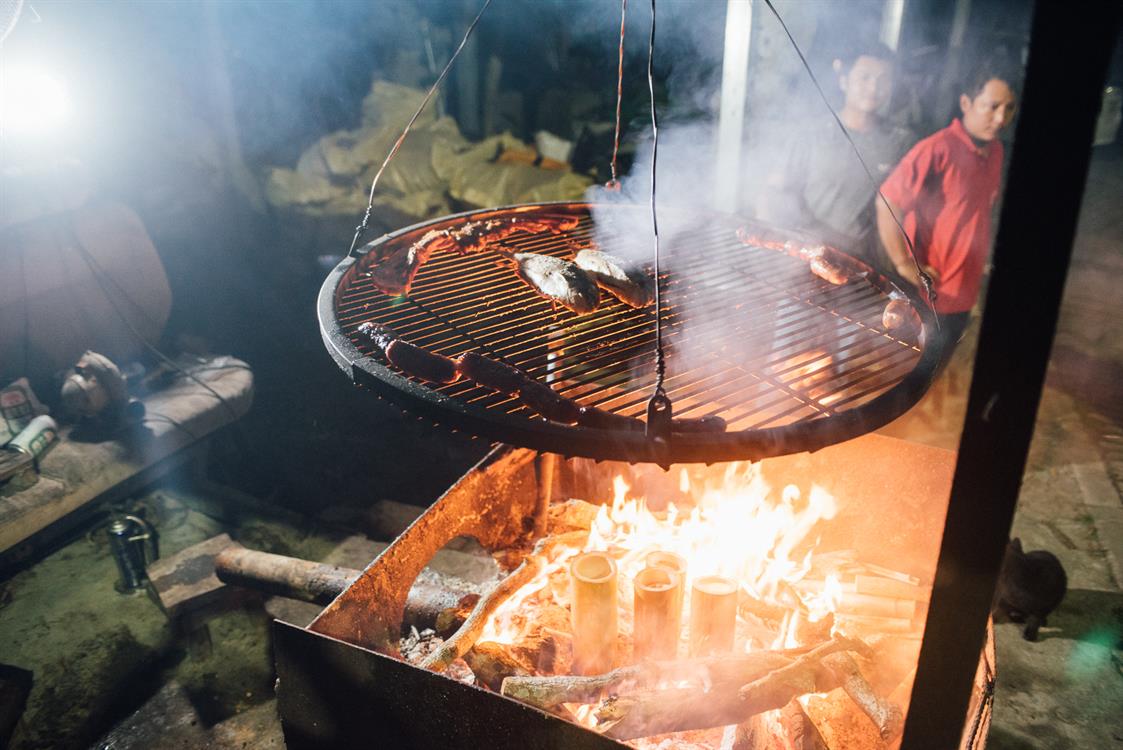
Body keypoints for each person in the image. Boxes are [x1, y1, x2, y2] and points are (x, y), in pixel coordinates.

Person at [877, 63, 1018, 357]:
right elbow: (887, 200)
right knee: (909, 366)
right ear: (966, 103)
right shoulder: (936, 149)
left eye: (1009, 108)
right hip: (928, 293)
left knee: (941, 361)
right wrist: (903, 264)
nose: (1001, 118)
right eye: (991, 107)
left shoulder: (996, 152)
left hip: (964, 292)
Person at [760, 42, 914, 266]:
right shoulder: (810, 134)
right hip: (810, 257)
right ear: (844, 81)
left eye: (883, 80)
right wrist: (772, 246)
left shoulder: (900, 141)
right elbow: (773, 192)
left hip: (868, 266)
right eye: (865, 77)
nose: (873, 87)